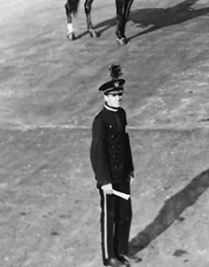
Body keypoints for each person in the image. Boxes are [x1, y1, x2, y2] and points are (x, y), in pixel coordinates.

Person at [90, 65, 140, 267]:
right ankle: (109, 257)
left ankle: (121, 251)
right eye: (114, 95)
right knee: (109, 218)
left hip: (122, 175)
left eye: (120, 94)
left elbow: (125, 143)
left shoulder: (121, 114)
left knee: (125, 215)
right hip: (109, 179)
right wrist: (103, 181)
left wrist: (130, 168)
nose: (118, 98)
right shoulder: (101, 120)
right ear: (105, 97)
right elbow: (96, 153)